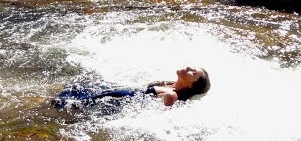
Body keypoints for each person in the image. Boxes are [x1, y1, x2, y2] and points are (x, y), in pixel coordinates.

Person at [51, 66, 211, 109]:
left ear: (191, 85)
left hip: (119, 98)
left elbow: (162, 107)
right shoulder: (170, 84)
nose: (189, 68)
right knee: (75, 87)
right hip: (119, 91)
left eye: (193, 72)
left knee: (64, 102)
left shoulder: (173, 95)